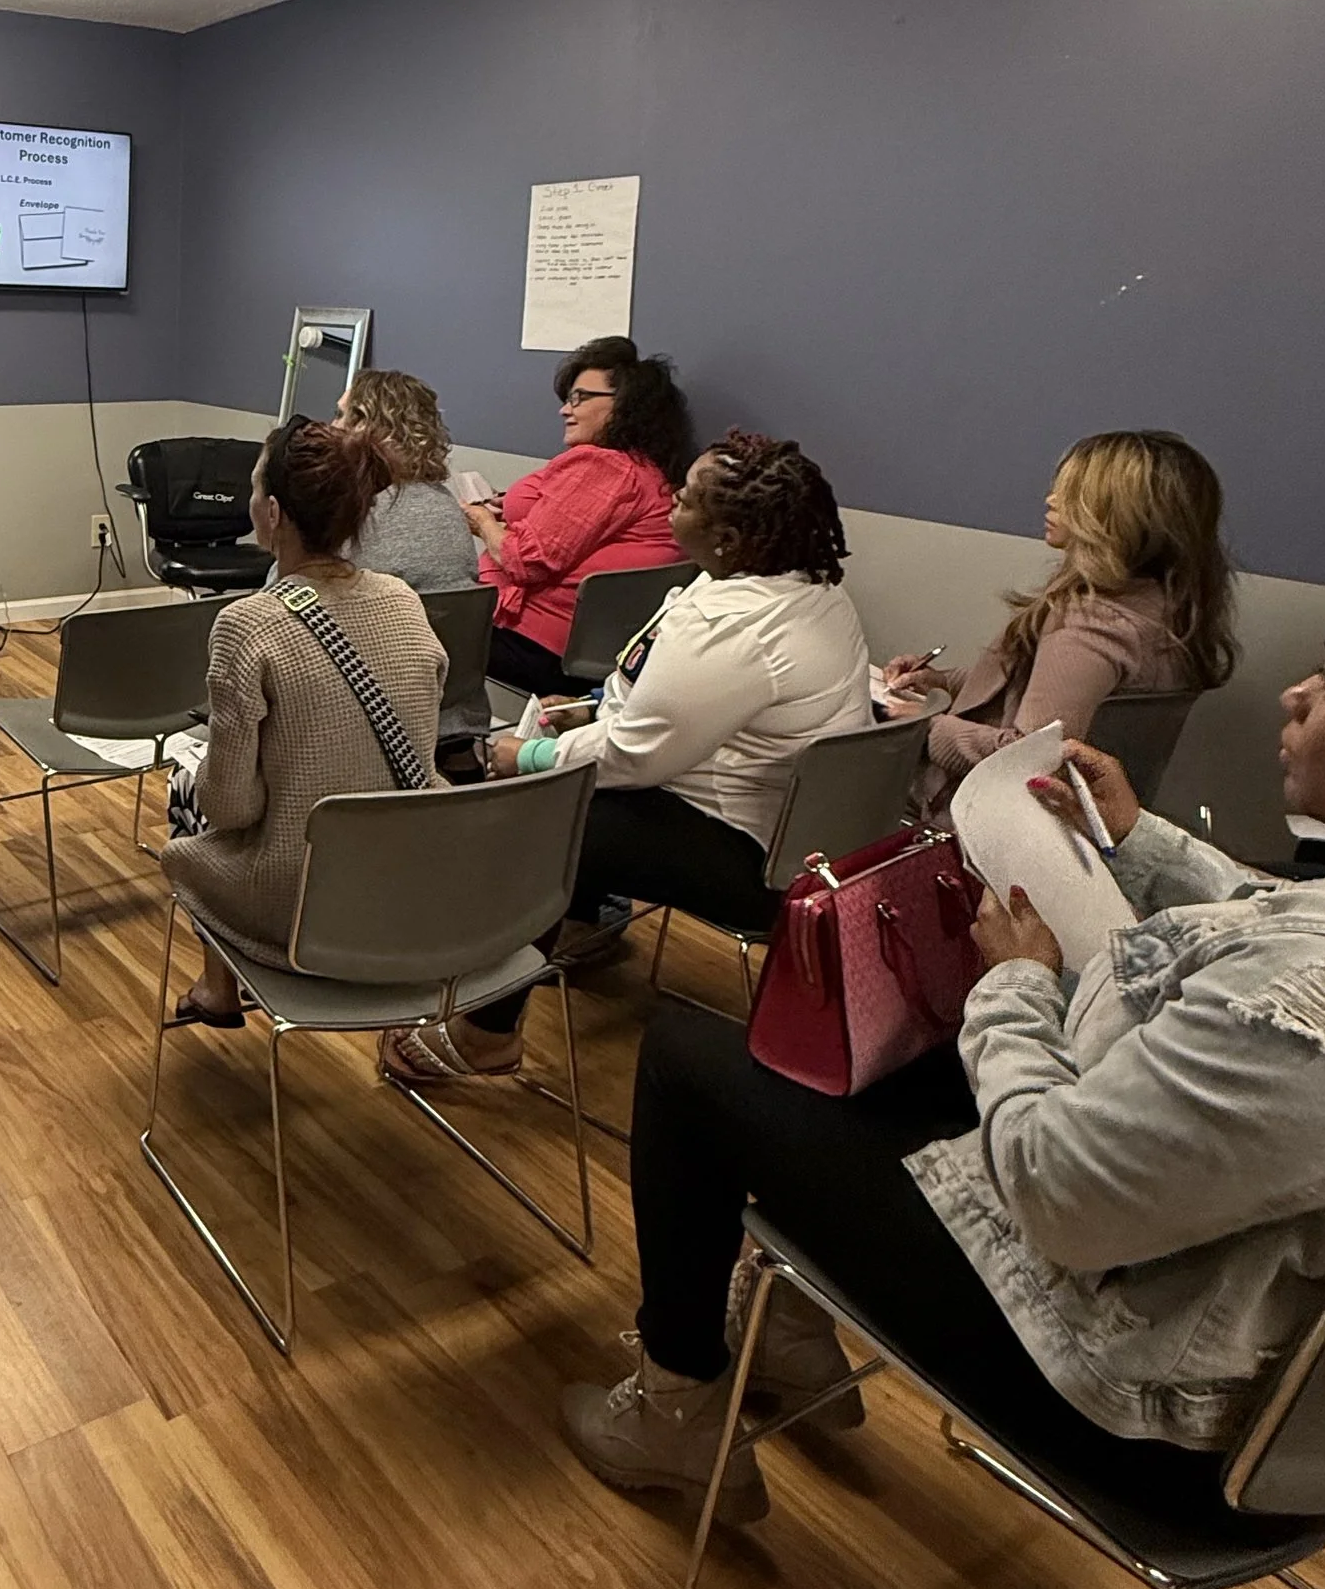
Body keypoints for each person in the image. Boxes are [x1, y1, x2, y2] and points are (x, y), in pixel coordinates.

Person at [561, 605, 1325, 1522]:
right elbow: (1265, 913)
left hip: (1136, 1398)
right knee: (888, 1060)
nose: (1298, 694)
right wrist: (1141, 841)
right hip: (1196, 1300)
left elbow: (1057, 1189)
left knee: (682, 1060)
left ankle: (675, 1408)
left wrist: (1017, 985)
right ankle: (786, 1324)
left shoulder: (1322, 1003)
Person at [389, 433, 870, 1084]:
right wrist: (590, 709)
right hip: (788, 833)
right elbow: (664, 708)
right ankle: (580, 920)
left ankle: (485, 1034)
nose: (671, 501)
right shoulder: (805, 590)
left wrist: (526, 753)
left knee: (553, 815)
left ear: (727, 536)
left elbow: (633, 755)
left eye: (686, 497)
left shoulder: (734, 625)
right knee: (579, 788)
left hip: (752, 857)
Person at [161, 418, 446, 1027]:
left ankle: (219, 988)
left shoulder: (247, 624)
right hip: (406, 883)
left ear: (272, 513)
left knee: (184, 791)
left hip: (299, 900)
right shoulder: (403, 600)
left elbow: (231, 808)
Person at [885, 430, 1236, 790]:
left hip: (977, 821)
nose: (1050, 500)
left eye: (1072, 494)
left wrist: (929, 728)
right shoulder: (1167, 609)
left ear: (1119, 516)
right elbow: (1034, 690)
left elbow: (1031, 759)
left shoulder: (1091, 629)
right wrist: (944, 682)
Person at [466, 337, 694, 695]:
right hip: (590, 649)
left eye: (580, 397)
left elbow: (526, 561)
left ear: (626, 405)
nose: (565, 410)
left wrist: (482, 521)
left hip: (537, 647)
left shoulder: (604, 466)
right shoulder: (649, 470)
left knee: (398, 623)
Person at [338, 367, 477, 591]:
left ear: (363, 426)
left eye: (340, 415)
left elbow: (289, 585)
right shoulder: (446, 504)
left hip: (373, 622)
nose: (333, 426)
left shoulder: (360, 512)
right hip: (447, 625)